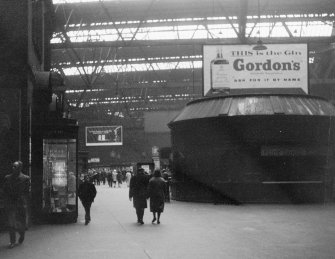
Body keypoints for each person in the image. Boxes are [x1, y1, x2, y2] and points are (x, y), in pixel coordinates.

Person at [3, 161, 30, 248]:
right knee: (11, 222)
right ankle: (12, 241)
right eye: (13, 166)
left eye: (15, 167)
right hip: (11, 203)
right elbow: (4, 191)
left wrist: (26, 203)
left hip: (21, 203)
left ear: (20, 168)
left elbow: (27, 193)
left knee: (21, 224)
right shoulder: (7, 178)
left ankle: (22, 235)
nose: (13, 168)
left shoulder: (26, 178)